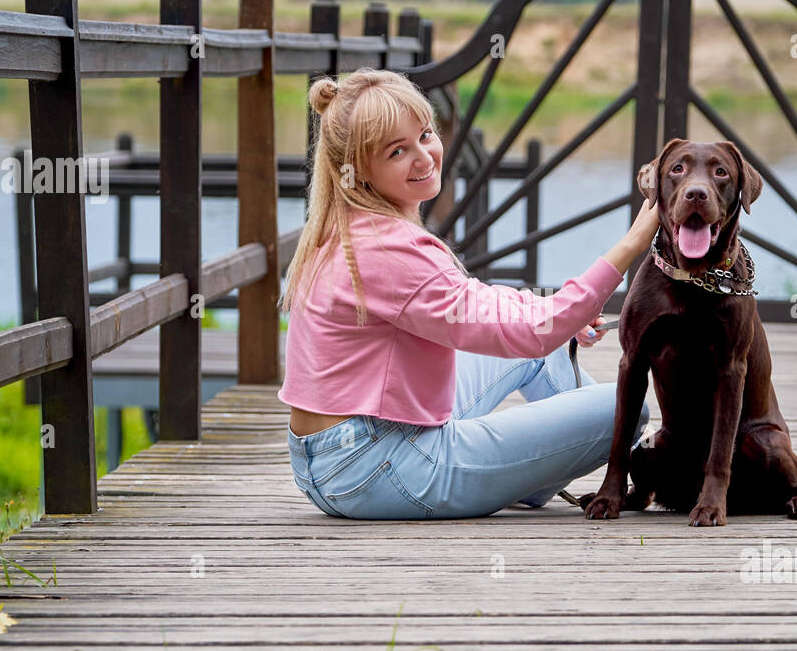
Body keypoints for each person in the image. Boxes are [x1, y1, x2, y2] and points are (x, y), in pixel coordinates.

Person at [278, 68, 661, 519]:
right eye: (397, 151)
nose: (424, 158)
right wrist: (632, 245)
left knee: (550, 351)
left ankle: (527, 473)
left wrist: (562, 314)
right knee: (624, 407)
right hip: (377, 467)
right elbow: (531, 332)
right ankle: (542, 470)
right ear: (359, 169)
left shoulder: (344, 228)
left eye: (425, 135)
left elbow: (481, 308)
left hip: (333, 458)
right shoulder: (389, 251)